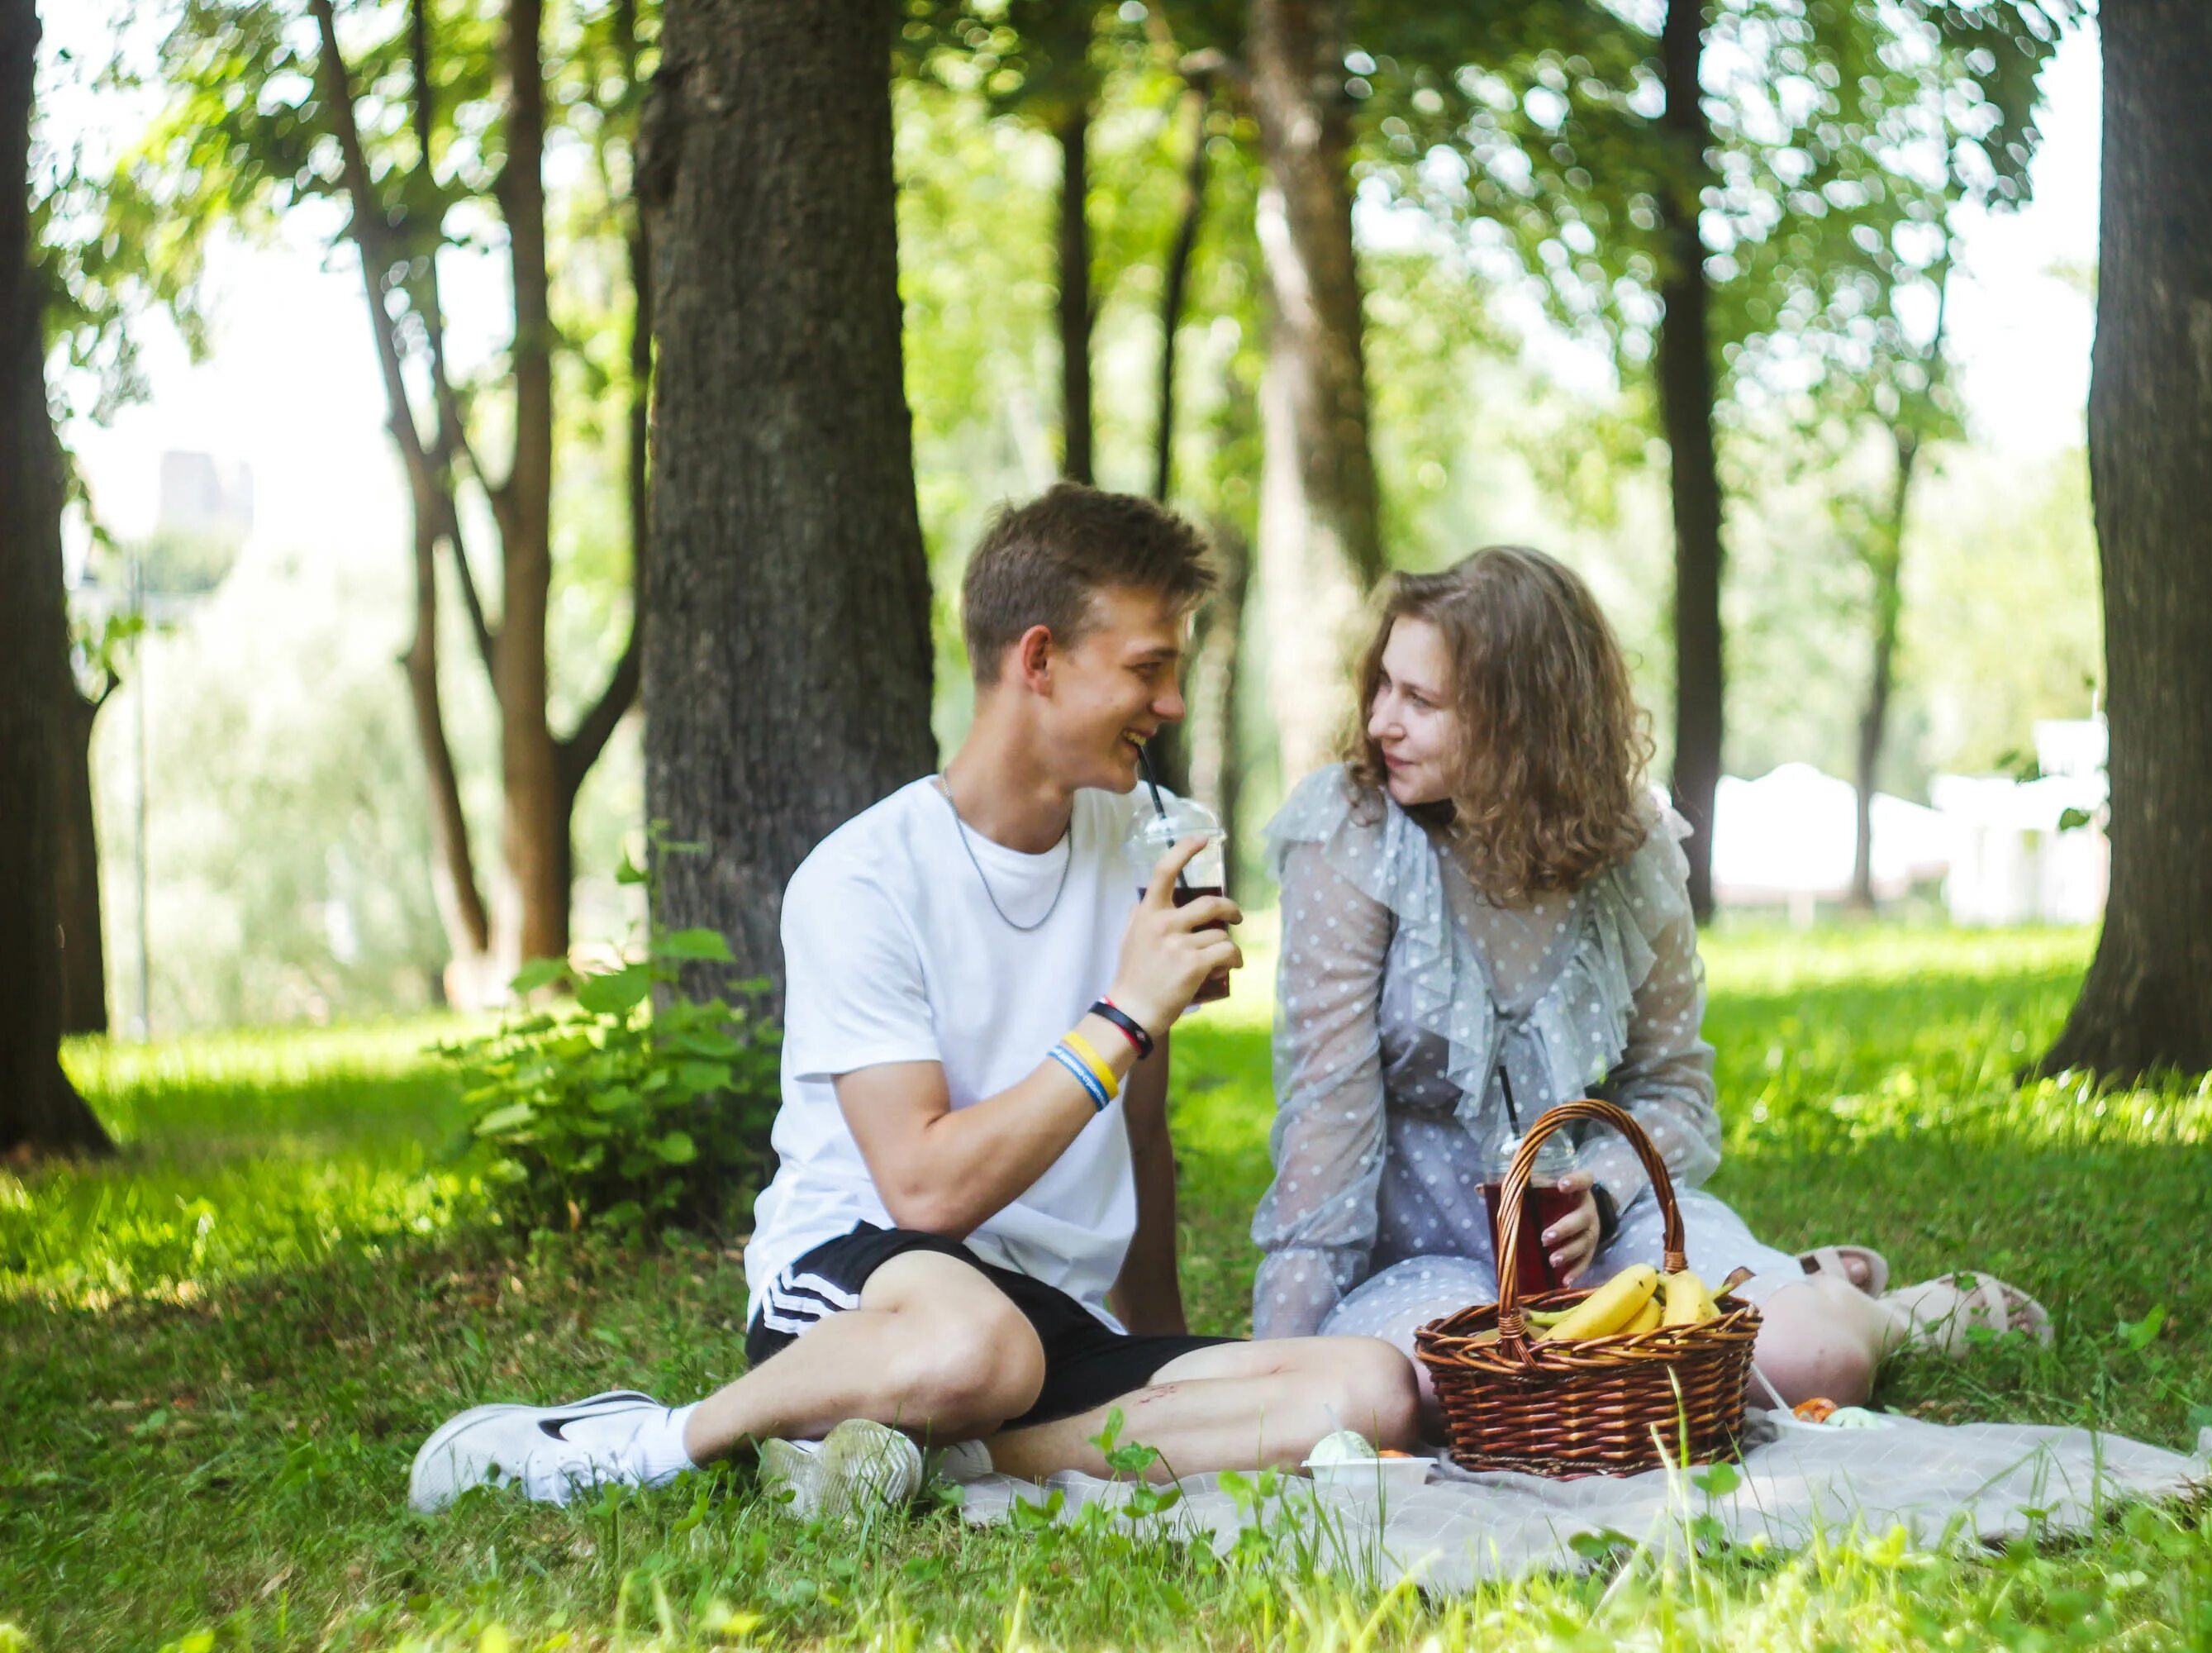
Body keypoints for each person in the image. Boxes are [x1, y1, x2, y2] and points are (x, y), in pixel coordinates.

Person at [411, 485, 1417, 1518]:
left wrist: (1156, 1352)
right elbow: (925, 1191)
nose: (1169, 704)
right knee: (975, 1345)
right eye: (1147, 669)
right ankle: (655, 1439)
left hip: (1046, 1322)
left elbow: (1141, 1139)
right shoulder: (862, 880)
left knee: (1369, 1387)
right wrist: (1123, 1015)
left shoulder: (1144, 845)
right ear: (1038, 661)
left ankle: (939, 1457)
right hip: (870, 1279)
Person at [1251, 545, 2049, 1420]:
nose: (1379, 723)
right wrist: (1274, 1371)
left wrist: (1599, 1189)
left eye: (1421, 701)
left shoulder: (1628, 849)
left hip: (1621, 1239)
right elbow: (1325, 1129)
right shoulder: (1355, 834)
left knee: (1812, 1359)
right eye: (1383, 686)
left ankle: (1886, 1314)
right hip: (1424, 1255)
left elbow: (1674, 1089)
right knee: (1473, 1389)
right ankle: (1800, 1283)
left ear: (1520, 720)